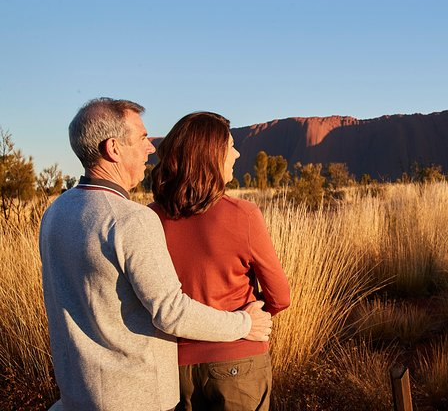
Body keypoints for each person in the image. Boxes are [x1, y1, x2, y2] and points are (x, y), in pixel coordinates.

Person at [40, 98, 273, 411]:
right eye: (141, 138)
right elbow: (171, 311)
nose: (150, 148)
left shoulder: (55, 213)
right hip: (136, 397)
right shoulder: (129, 219)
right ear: (113, 148)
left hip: (78, 395)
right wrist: (244, 324)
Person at [149, 112, 290, 411]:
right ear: (210, 155)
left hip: (175, 368)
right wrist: (254, 317)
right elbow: (281, 296)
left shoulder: (149, 219)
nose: (237, 154)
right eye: (231, 146)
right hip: (239, 362)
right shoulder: (243, 215)